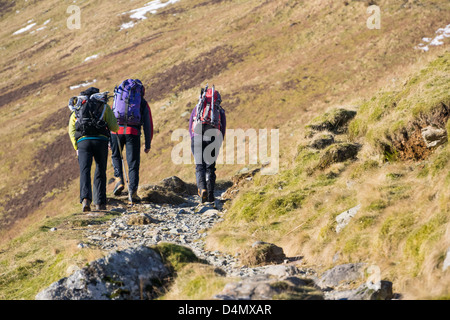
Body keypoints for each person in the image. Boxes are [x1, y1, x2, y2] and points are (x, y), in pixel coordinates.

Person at [68, 87, 119, 212]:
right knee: (100, 170)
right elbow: (115, 127)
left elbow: (71, 130)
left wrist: (76, 146)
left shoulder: (78, 106)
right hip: (100, 141)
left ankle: (86, 200)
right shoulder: (104, 106)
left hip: (83, 142)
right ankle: (100, 203)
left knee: (84, 170)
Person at [109, 80, 153, 205]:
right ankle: (132, 193)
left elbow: (110, 116)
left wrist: (109, 139)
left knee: (116, 156)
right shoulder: (142, 103)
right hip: (132, 132)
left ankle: (119, 181)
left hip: (116, 132)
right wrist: (148, 143)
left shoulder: (118, 98)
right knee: (133, 163)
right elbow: (148, 123)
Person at [189, 86, 226, 203]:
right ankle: (210, 196)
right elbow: (223, 128)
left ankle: (202, 189)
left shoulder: (197, 108)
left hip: (197, 137)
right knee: (210, 168)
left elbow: (191, 126)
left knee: (200, 166)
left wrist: (193, 139)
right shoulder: (219, 111)